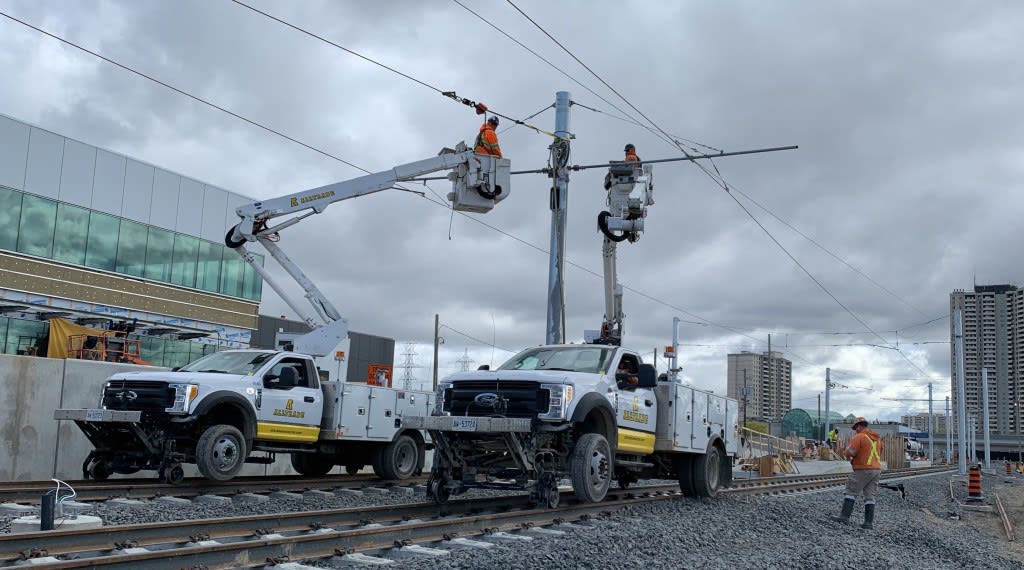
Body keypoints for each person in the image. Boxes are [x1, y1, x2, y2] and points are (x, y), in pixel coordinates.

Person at [831, 416, 884, 529]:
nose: (855, 430)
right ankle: (868, 523)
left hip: (863, 469)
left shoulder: (859, 437)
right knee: (870, 496)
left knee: (851, 491)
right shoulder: (877, 439)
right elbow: (879, 451)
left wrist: (845, 452)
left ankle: (844, 517)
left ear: (859, 426)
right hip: (876, 470)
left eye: (855, 428)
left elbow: (851, 451)